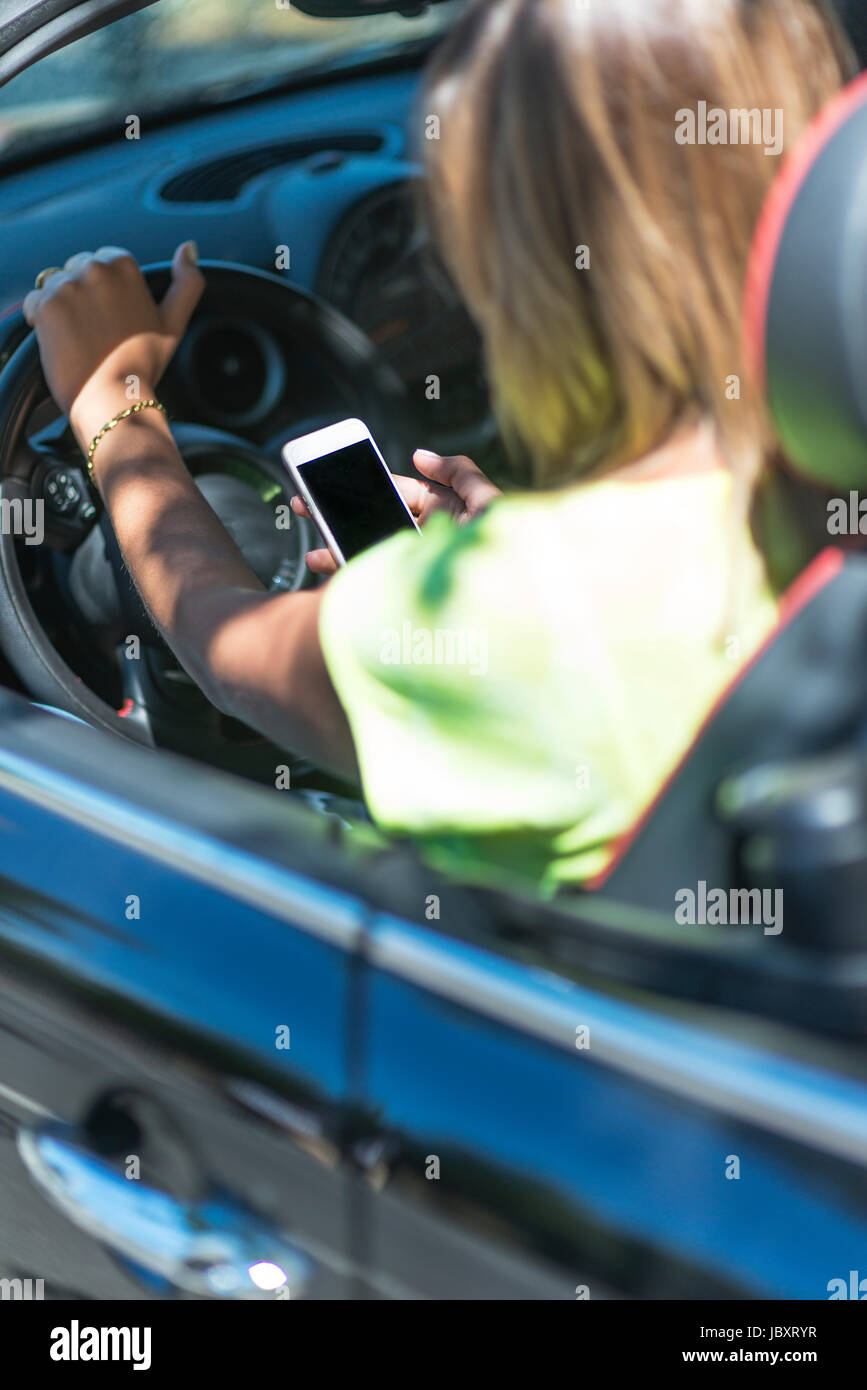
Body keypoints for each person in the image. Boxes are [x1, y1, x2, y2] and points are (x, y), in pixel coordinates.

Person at [23, 0, 855, 897]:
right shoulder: (811, 527)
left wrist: (116, 408)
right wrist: (525, 544)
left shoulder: (503, 619)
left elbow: (226, 649)